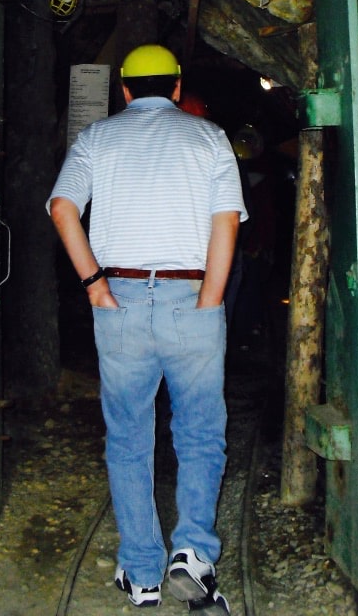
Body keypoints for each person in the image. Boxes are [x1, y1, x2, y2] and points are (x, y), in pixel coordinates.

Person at [47, 44, 247, 614]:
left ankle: (142, 572)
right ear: (178, 88)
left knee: (130, 437)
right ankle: (192, 554)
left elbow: (62, 207)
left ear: (126, 92)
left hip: (121, 302)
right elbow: (226, 221)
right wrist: (209, 296)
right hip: (192, 295)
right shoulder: (208, 139)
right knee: (201, 432)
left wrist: (94, 286)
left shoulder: (96, 140)